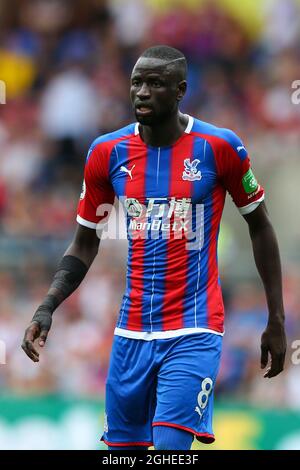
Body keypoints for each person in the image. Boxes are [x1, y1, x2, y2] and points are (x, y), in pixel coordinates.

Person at [22, 45, 287, 450]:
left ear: (180, 90)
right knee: (123, 453)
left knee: (170, 450)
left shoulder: (218, 147)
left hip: (194, 330)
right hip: (131, 333)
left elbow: (261, 227)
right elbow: (83, 243)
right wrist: (47, 306)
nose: (142, 92)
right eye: (136, 82)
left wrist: (277, 319)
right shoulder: (107, 153)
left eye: (155, 84)